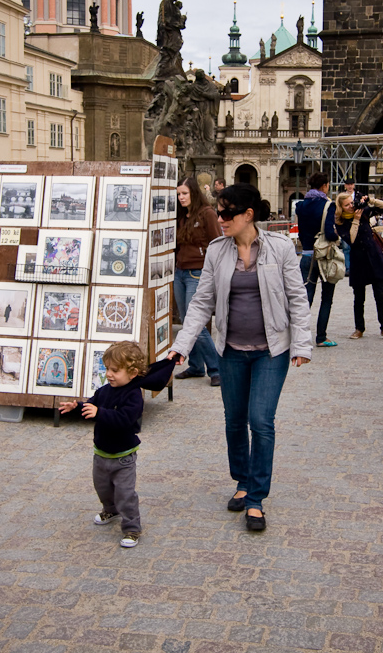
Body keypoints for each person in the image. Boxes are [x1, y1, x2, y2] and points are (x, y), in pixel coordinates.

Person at [168, 184, 311, 532]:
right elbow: (201, 302)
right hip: (230, 351)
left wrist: (302, 345)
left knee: (260, 421)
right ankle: (243, 481)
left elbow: (297, 297)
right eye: (219, 211)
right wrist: (182, 344)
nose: (220, 218)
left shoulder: (279, 248)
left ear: (248, 215)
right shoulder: (217, 251)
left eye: (226, 213)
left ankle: (257, 498)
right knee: (234, 421)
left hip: (270, 352)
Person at [59, 342, 175, 548]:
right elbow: (92, 404)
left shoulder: (134, 396)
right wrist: (77, 406)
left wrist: (100, 413)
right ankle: (110, 509)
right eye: (107, 369)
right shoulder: (105, 390)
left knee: (125, 494)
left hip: (124, 456)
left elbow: (124, 418)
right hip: (101, 453)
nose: (109, 374)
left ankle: (132, 528)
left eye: (115, 370)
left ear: (132, 373)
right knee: (102, 488)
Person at [174, 177, 222, 386]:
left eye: (184, 193)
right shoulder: (181, 215)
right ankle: (195, 366)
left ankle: (217, 369)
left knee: (196, 323)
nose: (181, 197)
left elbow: (218, 243)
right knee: (186, 322)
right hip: (180, 272)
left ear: (193, 193)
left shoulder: (207, 213)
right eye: (178, 194)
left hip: (197, 272)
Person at [335, 191, 383, 341]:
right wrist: (356, 220)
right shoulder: (341, 222)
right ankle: (359, 328)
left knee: (380, 295)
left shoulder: (363, 211)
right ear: (341, 208)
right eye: (347, 205)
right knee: (359, 297)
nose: (351, 206)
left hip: (374, 256)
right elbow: (351, 239)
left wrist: (371, 200)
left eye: (352, 202)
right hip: (358, 260)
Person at [297, 172, 339, 347]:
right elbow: (329, 232)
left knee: (305, 298)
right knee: (326, 298)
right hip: (324, 257)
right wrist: (337, 237)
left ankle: (300, 337)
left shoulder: (300, 205)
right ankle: (321, 337)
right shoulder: (328, 205)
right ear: (324, 186)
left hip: (306, 255)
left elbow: (299, 232)